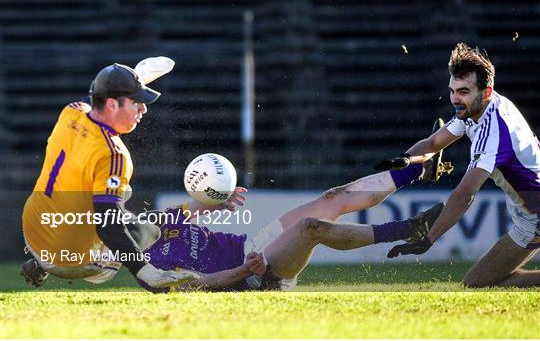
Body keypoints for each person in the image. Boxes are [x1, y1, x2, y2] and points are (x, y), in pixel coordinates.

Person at [20, 62, 241, 289]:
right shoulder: (114, 155)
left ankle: (40, 262)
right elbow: (109, 224)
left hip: (32, 228)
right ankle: (50, 263)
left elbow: (96, 100)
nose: (143, 109)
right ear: (112, 104)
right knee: (149, 229)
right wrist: (144, 270)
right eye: (136, 102)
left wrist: (136, 78)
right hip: (69, 259)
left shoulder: (72, 111)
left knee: (115, 200)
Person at [138, 135, 451, 292]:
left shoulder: (157, 221)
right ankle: (409, 229)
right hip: (258, 277)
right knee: (310, 228)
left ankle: (420, 169)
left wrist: (218, 199)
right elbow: (203, 283)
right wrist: (247, 271)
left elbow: (194, 207)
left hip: (253, 246)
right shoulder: (152, 270)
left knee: (333, 199)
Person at [379, 43, 540, 288]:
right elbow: (433, 142)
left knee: (476, 284)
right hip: (528, 215)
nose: (455, 98)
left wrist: (428, 240)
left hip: (535, 217)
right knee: (477, 282)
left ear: (486, 92)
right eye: (453, 90)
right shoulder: (476, 108)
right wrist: (405, 161)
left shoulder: (493, 132)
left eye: (463, 91)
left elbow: (465, 194)